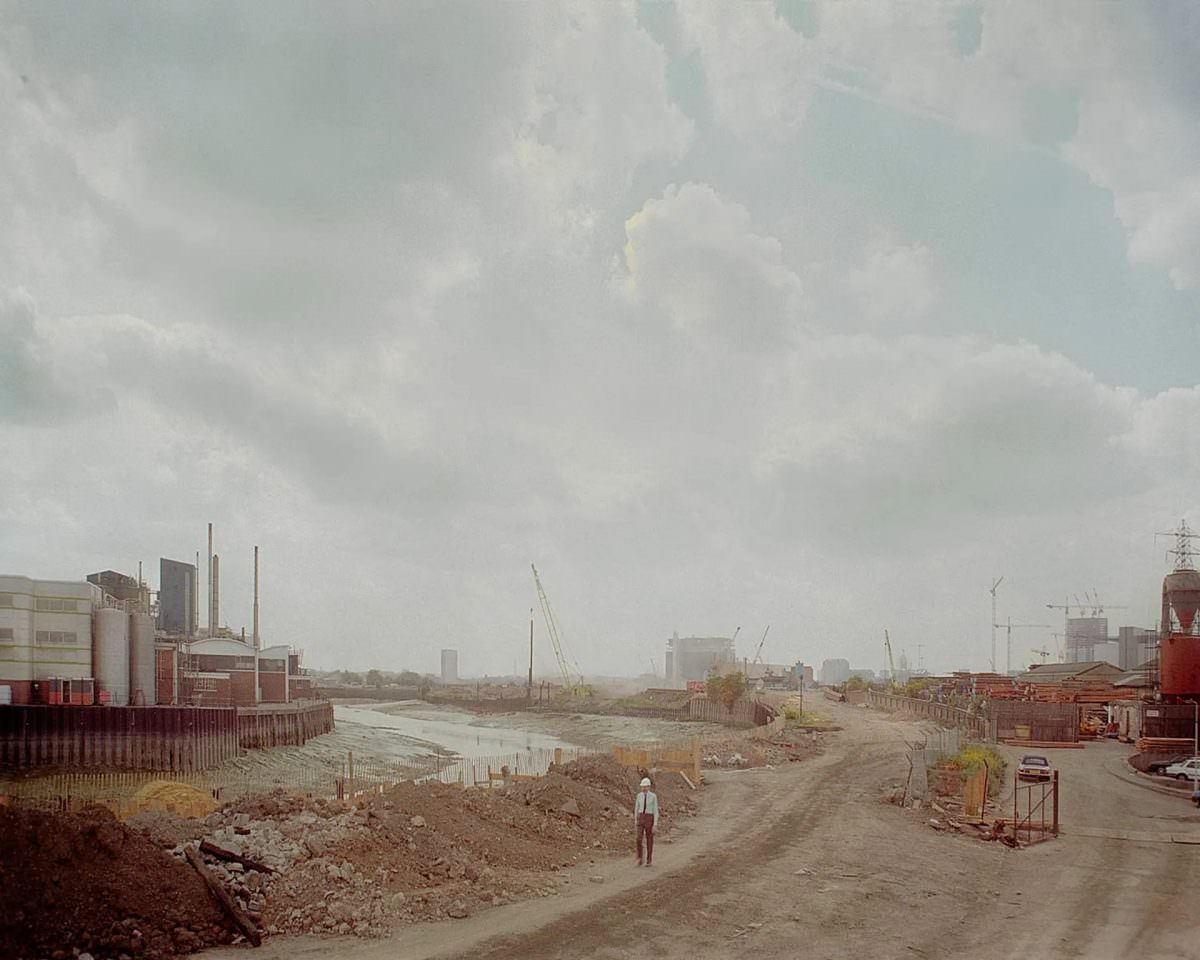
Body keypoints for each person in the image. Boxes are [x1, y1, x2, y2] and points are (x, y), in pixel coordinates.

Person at [634, 776, 659, 866]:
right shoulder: (639, 796)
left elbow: (656, 811)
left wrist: (655, 824)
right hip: (641, 817)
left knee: (649, 839)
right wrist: (636, 820)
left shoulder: (653, 797)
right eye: (642, 787)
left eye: (645, 787)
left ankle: (649, 859)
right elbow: (636, 808)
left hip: (649, 817)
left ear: (649, 787)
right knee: (638, 838)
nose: (644, 788)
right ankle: (640, 857)